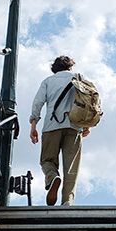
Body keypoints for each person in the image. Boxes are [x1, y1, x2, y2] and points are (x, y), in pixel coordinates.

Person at [29, 55, 91, 206]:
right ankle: (67, 201)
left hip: (51, 125)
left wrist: (33, 125)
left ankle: (52, 177)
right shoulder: (79, 78)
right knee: (71, 167)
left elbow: (38, 102)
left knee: (47, 160)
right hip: (74, 126)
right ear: (70, 66)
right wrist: (87, 125)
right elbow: (90, 101)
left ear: (54, 68)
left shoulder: (48, 81)